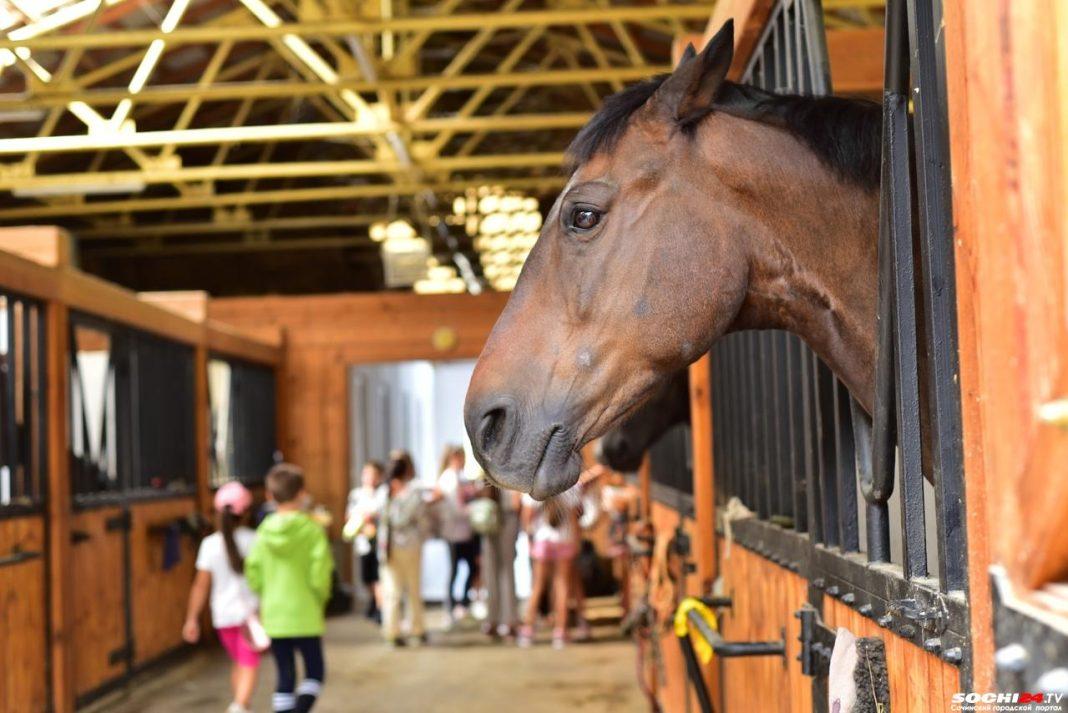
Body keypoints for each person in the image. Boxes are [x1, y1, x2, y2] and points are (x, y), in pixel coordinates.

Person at [245, 464, 333, 713]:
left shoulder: (262, 533)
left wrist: (266, 593)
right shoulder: (313, 531)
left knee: (285, 675)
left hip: (275, 614)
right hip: (305, 612)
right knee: (315, 672)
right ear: (303, 493)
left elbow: (253, 573)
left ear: (269, 496)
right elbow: (320, 575)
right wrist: (320, 598)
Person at [182, 482, 261, 713]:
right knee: (249, 663)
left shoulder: (209, 545)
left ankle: (241, 704)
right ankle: (239, 706)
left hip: (223, 616)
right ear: (246, 513)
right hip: (250, 615)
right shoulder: (255, 540)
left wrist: (191, 618)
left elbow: (200, 586)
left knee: (241, 662)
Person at [518, 488, 580, 649]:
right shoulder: (571, 483)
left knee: (538, 585)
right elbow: (574, 516)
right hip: (565, 538)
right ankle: (560, 631)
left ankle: (528, 629)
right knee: (562, 586)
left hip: (542, 538)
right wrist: (576, 540)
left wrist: (529, 540)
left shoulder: (534, 483)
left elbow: (527, 516)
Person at [379, 450, 429, 647]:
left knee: (412, 588)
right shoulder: (386, 494)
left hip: (408, 547)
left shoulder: (411, 493)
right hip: (389, 548)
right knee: (392, 591)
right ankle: (392, 631)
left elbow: (403, 519)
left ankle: (416, 629)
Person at [436, 445, 479, 622]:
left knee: (473, 568)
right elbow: (456, 508)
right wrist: (475, 509)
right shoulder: (448, 479)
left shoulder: (461, 477)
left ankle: (462, 602)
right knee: (454, 570)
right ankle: (451, 605)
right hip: (454, 533)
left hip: (465, 532)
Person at [344, 461, 387, 621]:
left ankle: (381, 609)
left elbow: (382, 514)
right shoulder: (356, 494)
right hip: (363, 542)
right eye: (366, 474)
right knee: (367, 578)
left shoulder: (383, 493)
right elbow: (349, 516)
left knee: (379, 578)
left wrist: (371, 517)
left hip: (380, 542)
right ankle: (374, 602)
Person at [479, 483, 521, 639]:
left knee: (503, 570)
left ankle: (505, 619)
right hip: (491, 515)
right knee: (494, 570)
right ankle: (497, 619)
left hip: (504, 515)